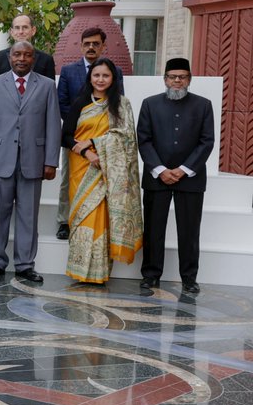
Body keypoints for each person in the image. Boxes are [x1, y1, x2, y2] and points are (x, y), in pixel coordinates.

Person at [0, 41, 61, 284]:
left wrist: (51, 162)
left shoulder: (46, 86)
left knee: (28, 216)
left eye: (27, 55)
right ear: (9, 57)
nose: (22, 58)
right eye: (17, 54)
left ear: (33, 59)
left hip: (33, 162)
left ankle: (25, 265)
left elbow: (53, 125)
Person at [137, 58, 214, 294]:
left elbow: (206, 141)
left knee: (189, 231)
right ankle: (151, 275)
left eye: (182, 76)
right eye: (172, 76)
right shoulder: (150, 104)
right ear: (165, 79)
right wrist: (161, 170)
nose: (177, 81)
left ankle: (189, 278)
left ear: (189, 79)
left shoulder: (203, 105)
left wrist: (183, 169)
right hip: (156, 177)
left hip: (191, 178)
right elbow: (144, 139)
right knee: (153, 228)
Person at [62, 58, 143, 285]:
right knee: (82, 216)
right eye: (96, 75)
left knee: (102, 219)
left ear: (113, 79)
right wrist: (88, 153)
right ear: (90, 77)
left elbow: (127, 139)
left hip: (107, 172)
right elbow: (65, 136)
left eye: (105, 76)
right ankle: (78, 270)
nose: (100, 80)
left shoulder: (122, 105)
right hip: (82, 168)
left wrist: (93, 142)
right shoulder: (80, 102)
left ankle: (98, 273)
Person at [55, 27, 125, 239]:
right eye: (87, 43)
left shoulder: (115, 71)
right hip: (74, 137)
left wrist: (97, 129)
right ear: (81, 45)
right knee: (68, 179)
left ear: (104, 46)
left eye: (96, 43)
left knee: (103, 181)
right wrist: (83, 120)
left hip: (103, 138)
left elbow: (117, 103)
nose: (91, 47)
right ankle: (64, 221)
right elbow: (62, 103)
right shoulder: (68, 71)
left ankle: (99, 222)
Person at [0, 13, 56, 80]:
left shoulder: (46, 60)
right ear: (12, 32)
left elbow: (50, 90)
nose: (21, 31)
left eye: (25, 27)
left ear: (33, 30)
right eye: (17, 28)